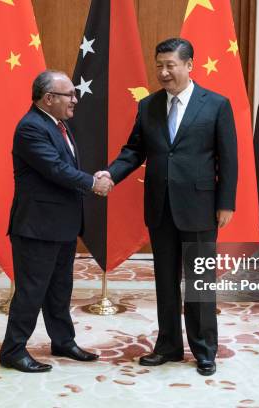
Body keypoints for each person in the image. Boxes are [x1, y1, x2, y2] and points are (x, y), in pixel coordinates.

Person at [96, 38, 237, 376]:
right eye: (159, 65)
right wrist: (111, 174)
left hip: (201, 207)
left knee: (200, 281)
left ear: (189, 65)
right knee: (165, 280)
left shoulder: (216, 104)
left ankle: (204, 349)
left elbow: (229, 158)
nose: (163, 72)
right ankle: (169, 345)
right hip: (160, 207)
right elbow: (134, 151)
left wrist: (226, 203)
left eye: (170, 65)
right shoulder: (148, 106)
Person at [0, 70, 113, 373]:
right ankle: (13, 350)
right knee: (31, 291)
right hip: (37, 227)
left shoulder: (58, 125)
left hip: (61, 225)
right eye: (70, 95)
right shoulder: (30, 128)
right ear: (49, 98)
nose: (75, 100)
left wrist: (94, 177)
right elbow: (55, 169)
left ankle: (63, 341)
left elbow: (64, 167)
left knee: (60, 289)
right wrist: (92, 182)